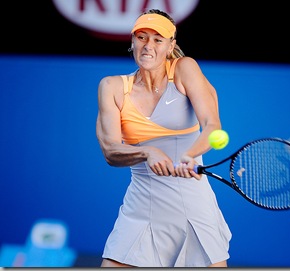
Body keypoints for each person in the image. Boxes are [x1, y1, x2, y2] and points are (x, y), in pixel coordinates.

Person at [95, 9, 231, 267]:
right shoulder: (112, 87)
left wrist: (189, 156)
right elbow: (110, 151)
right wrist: (147, 152)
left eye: (158, 40)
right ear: (132, 42)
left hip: (193, 207)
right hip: (140, 207)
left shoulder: (184, 68)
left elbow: (212, 126)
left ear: (171, 46)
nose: (148, 46)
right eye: (142, 37)